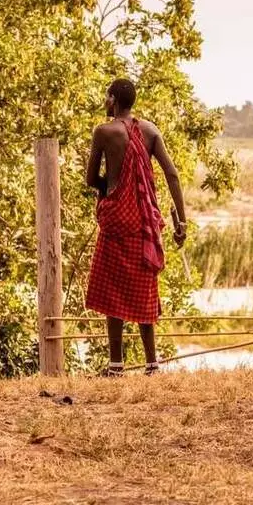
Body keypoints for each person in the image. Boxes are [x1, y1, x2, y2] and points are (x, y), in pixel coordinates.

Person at [85, 78, 187, 376]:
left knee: (112, 289)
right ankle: (152, 364)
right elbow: (172, 174)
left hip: (117, 217)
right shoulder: (151, 131)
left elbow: (91, 179)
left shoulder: (104, 132)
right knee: (145, 288)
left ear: (113, 99)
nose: (105, 101)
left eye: (107, 97)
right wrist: (181, 220)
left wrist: (113, 188)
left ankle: (116, 365)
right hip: (144, 220)